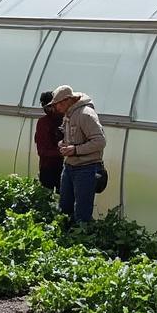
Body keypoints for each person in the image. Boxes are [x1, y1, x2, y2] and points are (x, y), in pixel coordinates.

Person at [49, 85, 106, 224]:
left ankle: (81, 241)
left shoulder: (86, 114)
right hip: (69, 167)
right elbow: (73, 138)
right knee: (64, 208)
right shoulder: (69, 115)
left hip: (86, 169)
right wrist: (63, 144)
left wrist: (75, 150)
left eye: (57, 105)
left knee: (82, 213)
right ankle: (67, 239)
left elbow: (100, 141)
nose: (56, 109)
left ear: (67, 100)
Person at [34, 91, 65, 192]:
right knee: (47, 196)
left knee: (65, 200)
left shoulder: (66, 119)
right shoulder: (44, 123)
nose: (49, 110)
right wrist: (62, 152)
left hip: (66, 167)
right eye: (46, 107)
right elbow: (42, 151)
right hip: (49, 167)